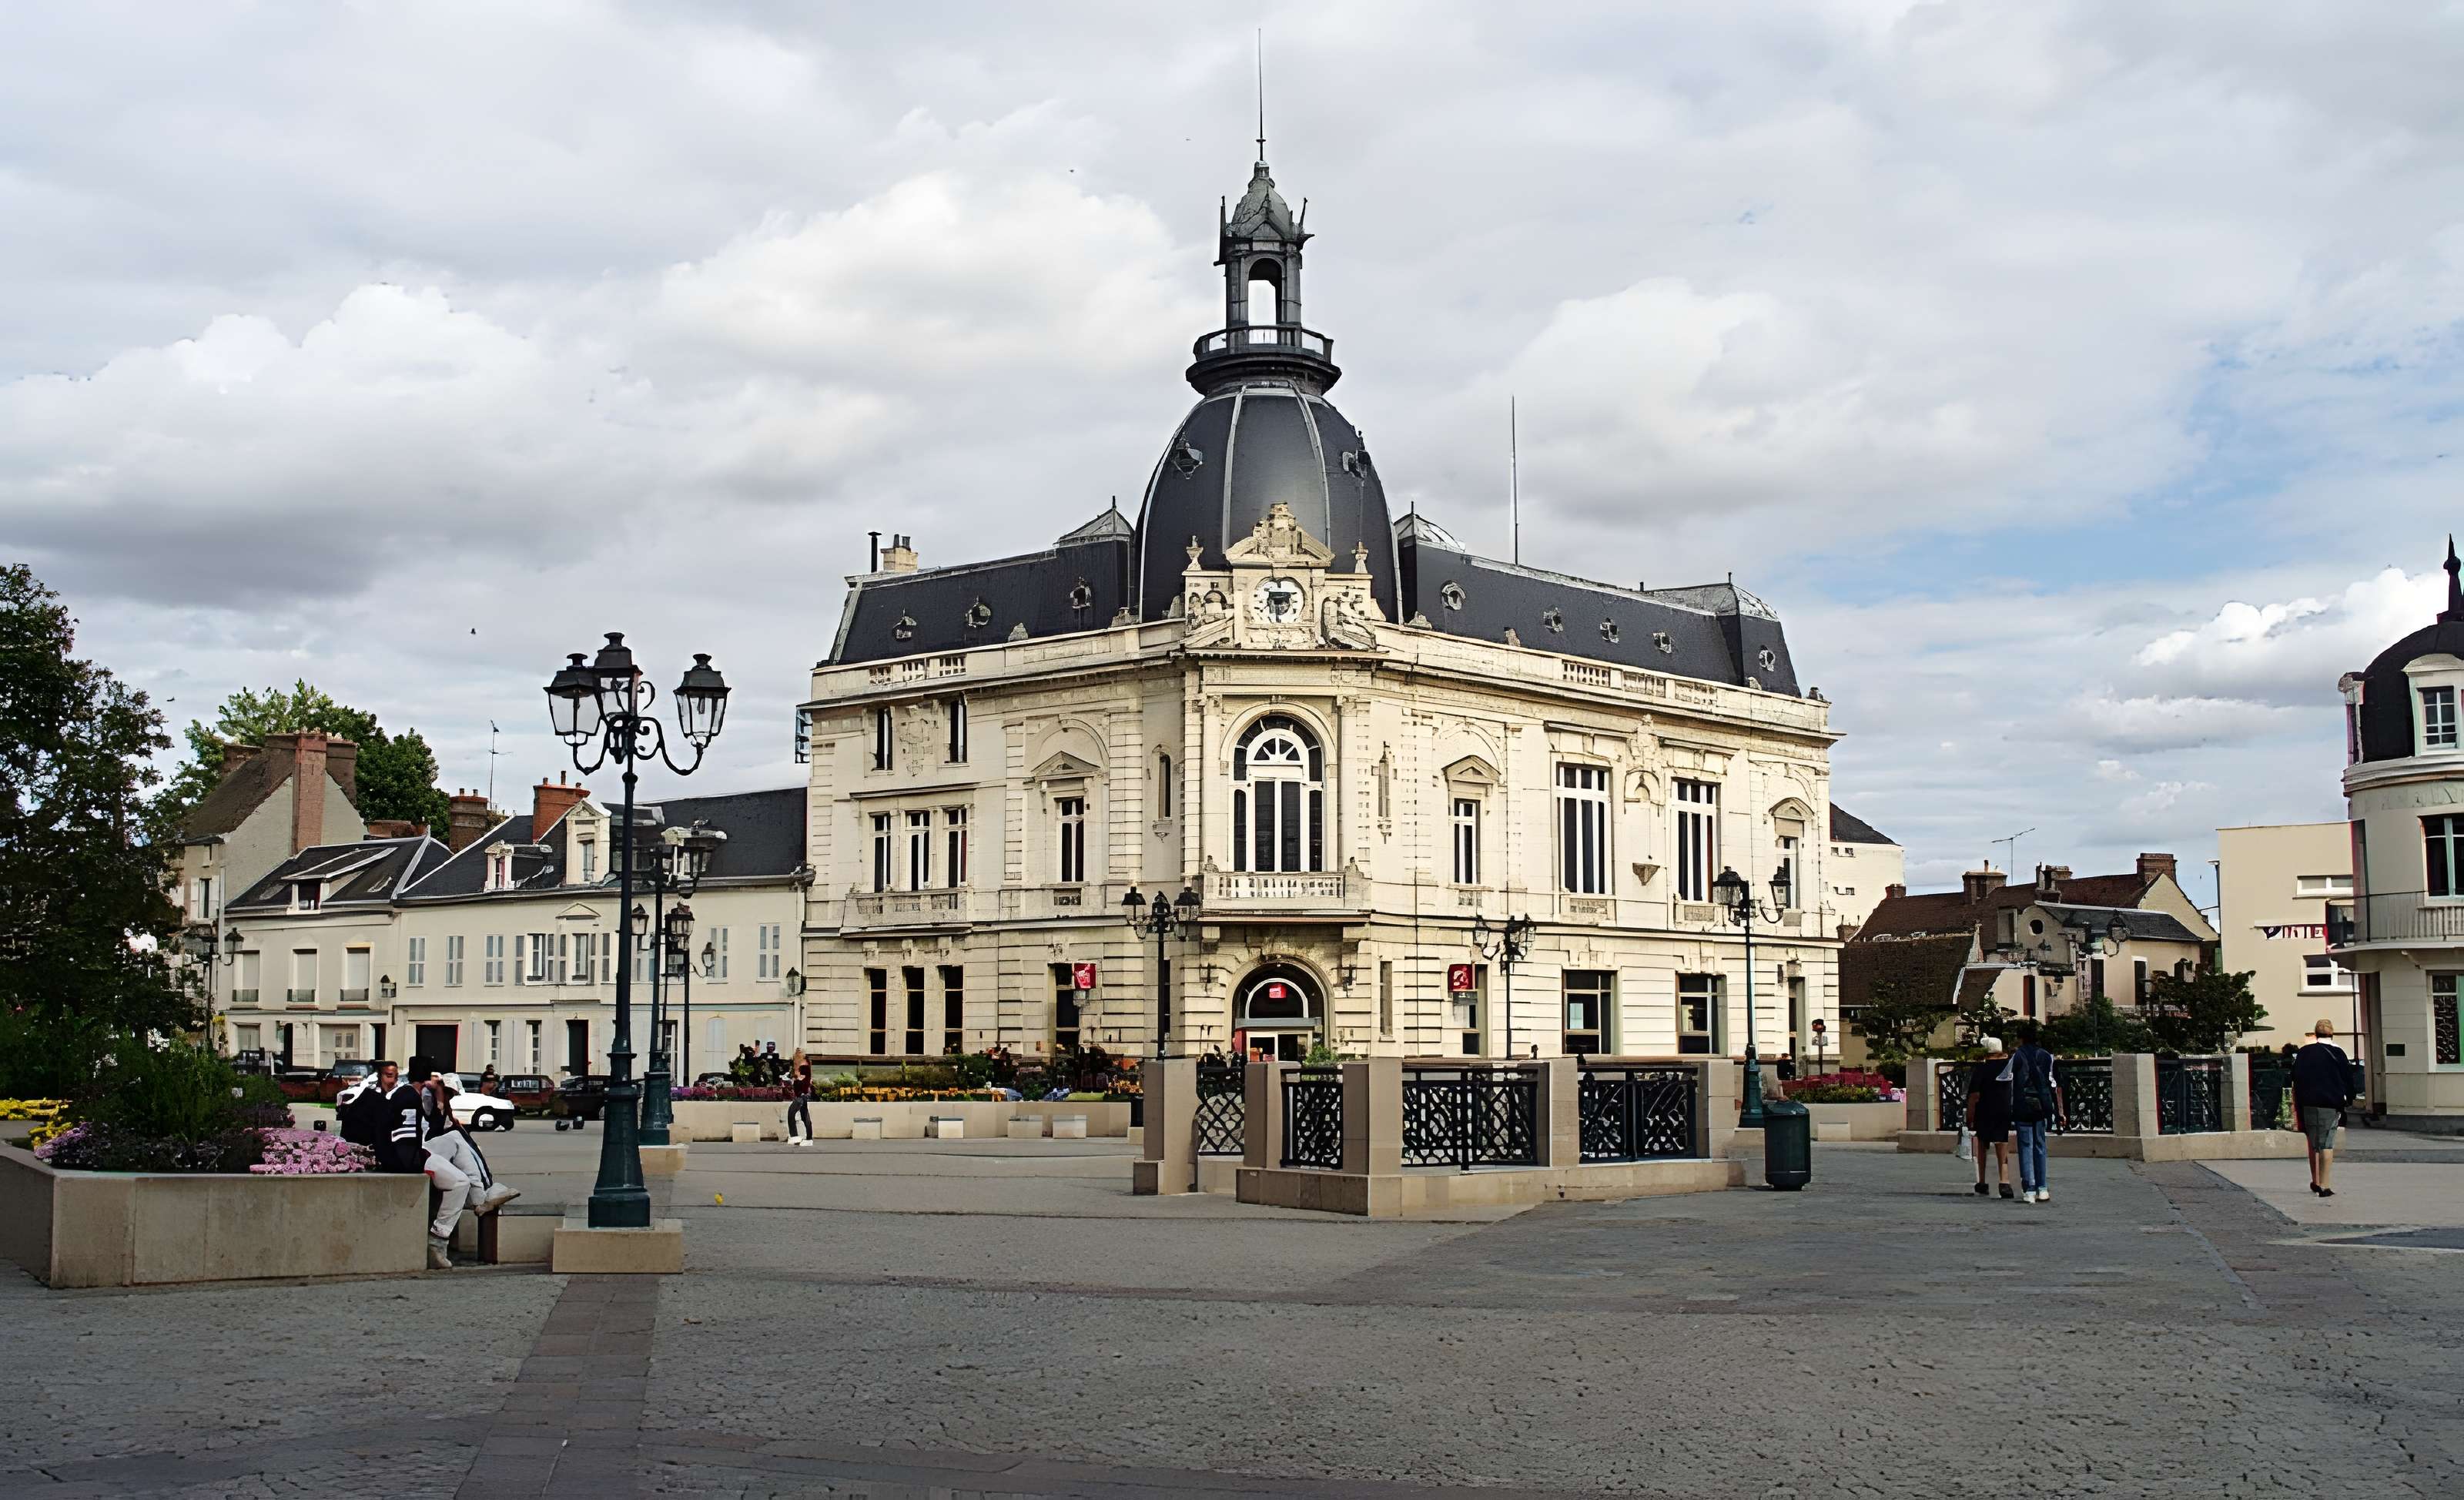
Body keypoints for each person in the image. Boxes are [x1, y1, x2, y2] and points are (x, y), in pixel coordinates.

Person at [418, 1074, 518, 1268]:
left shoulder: (440, 1104)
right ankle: (481, 1197)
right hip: (419, 1149)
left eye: (451, 1094)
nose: (449, 1097)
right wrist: (438, 1097)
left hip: (428, 1148)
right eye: (447, 1092)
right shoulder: (426, 1097)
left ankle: (483, 1193)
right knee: (456, 1137)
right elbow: (433, 1128)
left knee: (462, 1138)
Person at [2292, 1019, 2355, 1198]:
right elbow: (2348, 1079)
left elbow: (2295, 1076)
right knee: (2327, 1142)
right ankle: (2325, 1186)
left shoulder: (2304, 1052)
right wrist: (2348, 1099)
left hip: (2308, 1103)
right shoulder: (2338, 1053)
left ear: (2315, 1034)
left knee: (2313, 1143)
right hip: (2330, 1103)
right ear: (2332, 1033)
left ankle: (2315, 1181)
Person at [2007, 1021, 2067, 1204]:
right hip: (2042, 1105)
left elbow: (2007, 1079)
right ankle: (2043, 1188)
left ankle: (2029, 1189)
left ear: (2022, 1038)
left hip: (2023, 1105)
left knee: (2025, 1146)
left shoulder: (2018, 1056)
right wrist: (2060, 1112)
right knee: (2040, 1145)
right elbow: (2054, 1084)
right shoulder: (2047, 1057)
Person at [337, 1060, 426, 1175]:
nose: (393, 1081)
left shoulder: (398, 1095)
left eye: (396, 1077)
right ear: (379, 1076)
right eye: (389, 1076)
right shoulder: (370, 1096)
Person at [1963, 1036, 2017, 1199]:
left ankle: (1982, 1181)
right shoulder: (2008, 1067)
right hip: (2004, 1109)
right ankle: (2004, 1180)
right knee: (2002, 1142)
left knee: (1982, 1144)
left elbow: (1974, 1095)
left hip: (1984, 1110)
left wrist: (1969, 1116)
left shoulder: (1982, 1069)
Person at [785, 1050, 814, 1147]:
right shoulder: (799, 1065)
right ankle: (809, 1138)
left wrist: (797, 1082)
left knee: (791, 1113)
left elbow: (805, 1081)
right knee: (805, 1116)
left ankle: (795, 1136)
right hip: (801, 1095)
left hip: (802, 1096)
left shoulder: (804, 1066)